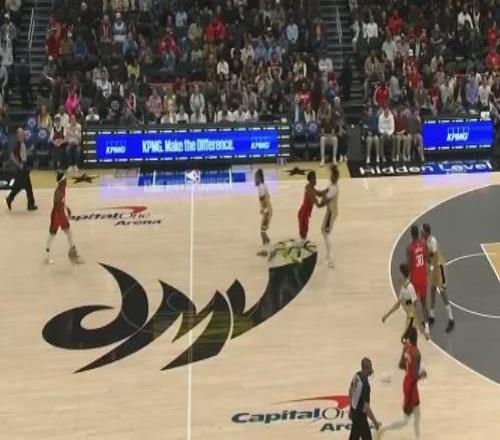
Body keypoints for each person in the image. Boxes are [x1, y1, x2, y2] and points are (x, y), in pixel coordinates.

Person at [378, 326, 426, 439]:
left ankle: (417, 438)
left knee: (417, 415)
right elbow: (415, 376)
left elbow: (401, 365)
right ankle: (383, 428)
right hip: (411, 386)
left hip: (407, 382)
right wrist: (423, 374)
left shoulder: (406, 348)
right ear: (416, 337)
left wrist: (410, 368)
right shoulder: (417, 353)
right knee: (405, 420)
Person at [421, 223, 455, 332]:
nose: (421, 232)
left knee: (443, 292)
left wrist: (430, 266)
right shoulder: (425, 242)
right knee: (432, 290)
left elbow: (434, 257)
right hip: (435, 269)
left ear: (426, 232)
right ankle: (432, 316)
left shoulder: (432, 241)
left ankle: (451, 319)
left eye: (422, 231)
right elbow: (428, 258)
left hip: (440, 268)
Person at [382, 263, 427, 339]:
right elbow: (397, 305)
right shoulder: (403, 288)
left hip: (412, 318)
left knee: (406, 340)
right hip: (409, 317)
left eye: (399, 273)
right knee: (408, 342)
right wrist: (387, 314)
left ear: (403, 275)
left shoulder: (410, 288)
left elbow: (417, 307)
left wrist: (421, 326)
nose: (398, 275)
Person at [45, 172, 80, 265]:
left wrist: (66, 207)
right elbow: (56, 205)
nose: (66, 181)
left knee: (68, 232)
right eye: (65, 180)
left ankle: (73, 250)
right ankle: (47, 256)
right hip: (56, 216)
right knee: (52, 235)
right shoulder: (58, 193)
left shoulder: (63, 189)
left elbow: (61, 202)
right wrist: (57, 219)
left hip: (61, 215)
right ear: (61, 181)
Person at [348, 357, 381, 440]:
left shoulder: (357, 375)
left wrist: (350, 408)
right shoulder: (366, 385)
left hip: (354, 412)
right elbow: (366, 408)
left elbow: (350, 391)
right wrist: (375, 422)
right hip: (360, 416)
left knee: (354, 437)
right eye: (370, 367)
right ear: (368, 368)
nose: (371, 370)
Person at [5, 127, 37, 211]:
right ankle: (29, 204)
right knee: (23, 186)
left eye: (23, 133)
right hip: (21, 168)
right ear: (18, 135)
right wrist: (19, 164)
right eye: (21, 134)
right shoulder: (17, 144)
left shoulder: (24, 143)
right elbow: (12, 156)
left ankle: (29, 204)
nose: (22, 135)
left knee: (24, 186)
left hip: (25, 166)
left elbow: (24, 153)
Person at [407, 225, 430, 337]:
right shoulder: (424, 244)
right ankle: (427, 327)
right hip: (423, 276)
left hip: (415, 277)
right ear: (418, 234)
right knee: (424, 303)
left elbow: (410, 265)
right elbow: (426, 257)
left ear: (412, 234)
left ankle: (412, 326)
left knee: (414, 303)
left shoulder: (409, 247)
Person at [318, 165, 339, 268]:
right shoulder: (331, 184)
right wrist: (315, 192)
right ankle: (327, 255)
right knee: (323, 231)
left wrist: (317, 203)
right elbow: (323, 192)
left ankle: (331, 260)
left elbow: (324, 200)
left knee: (326, 233)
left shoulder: (334, 189)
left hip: (332, 212)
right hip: (329, 211)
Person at [297, 171, 324, 241]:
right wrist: (327, 200)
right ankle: (302, 242)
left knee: (303, 233)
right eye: (313, 179)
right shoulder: (311, 192)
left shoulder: (309, 186)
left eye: (315, 178)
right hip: (304, 215)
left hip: (303, 212)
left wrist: (327, 191)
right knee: (303, 234)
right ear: (310, 180)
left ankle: (302, 241)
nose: (315, 180)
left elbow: (319, 193)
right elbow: (319, 205)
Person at [255, 169, 272, 257]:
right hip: (268, 210)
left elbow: (263, 200)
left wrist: (264, 209)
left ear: (259, 177)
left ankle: (265, 251)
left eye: (256, 177)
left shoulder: (261, 187)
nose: (255, 179)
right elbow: (268, 196)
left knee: (262, 232)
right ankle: (267, 244)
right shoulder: (264, 186)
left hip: (267, 211)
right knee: (264, 231)